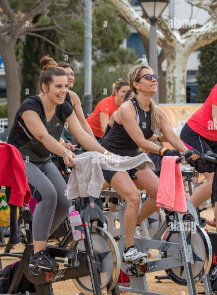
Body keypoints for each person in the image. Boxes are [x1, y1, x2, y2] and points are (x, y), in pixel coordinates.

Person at [7, 56, 110, 272]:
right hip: (19, 160)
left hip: (42, 159)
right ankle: (38, 254)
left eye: (66, 86)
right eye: (58, 86)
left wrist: (108, 154)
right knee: (48, 194)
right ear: (45, 87)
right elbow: (43, 136)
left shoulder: (64, 106)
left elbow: (82, 135)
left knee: (65, 198)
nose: (64, 91)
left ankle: (38, 245)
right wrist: (63, 151)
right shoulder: (30, 106)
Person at [101, 64, 198, 263]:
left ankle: (131, 225)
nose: (154, 79)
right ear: (135, 84)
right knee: (133, 197)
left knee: (161, 192)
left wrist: (189, 152)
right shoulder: (128, 108)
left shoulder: (156, 110)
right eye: (147, 76)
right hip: (111, 157)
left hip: (132, 158)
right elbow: (141, 142)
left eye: (154, 76)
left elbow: (171, 136)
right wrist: (164, 151)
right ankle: (129, 249)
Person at [180, 84, 217, 230]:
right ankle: (185, 216)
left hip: (213, 139)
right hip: (195, 135)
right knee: (213, 178)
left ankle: (192, 214)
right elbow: (216, 118)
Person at [57, 61, 95, 141]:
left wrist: (95, 143)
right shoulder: (51, 96)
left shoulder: (73, 97)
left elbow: (83, 123)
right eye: (66, 74)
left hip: (60, 141)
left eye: (72, 74)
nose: (71, 77)